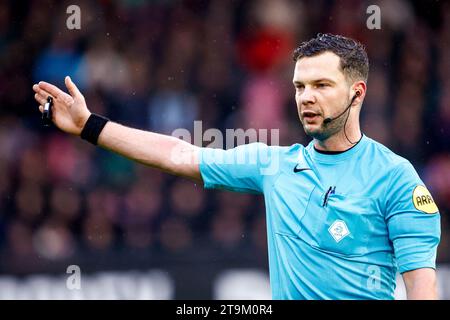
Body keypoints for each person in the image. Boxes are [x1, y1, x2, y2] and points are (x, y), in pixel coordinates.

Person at [32, 33, 440, 300]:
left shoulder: (396, 179)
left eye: (321, 86)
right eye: (299, 86)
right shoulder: (274, 165)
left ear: (357, 93)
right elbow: (178, 155)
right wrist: (90, 126)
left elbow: (421, 287)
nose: (306, 98)